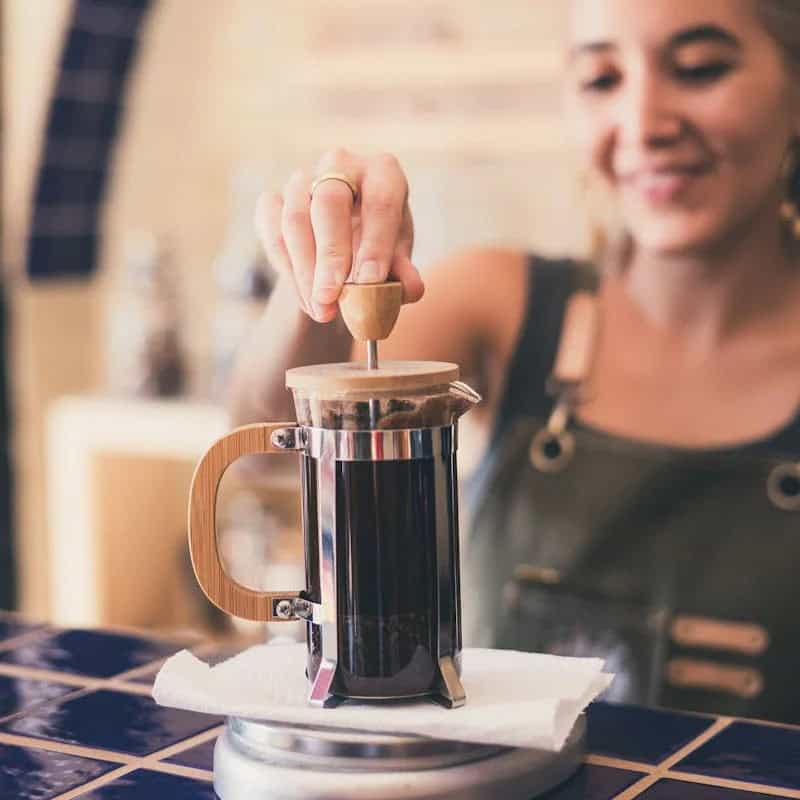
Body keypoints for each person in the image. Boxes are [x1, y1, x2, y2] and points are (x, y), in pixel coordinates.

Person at [229, 0, 800, 724]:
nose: (645, 121)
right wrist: (314, 273)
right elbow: (267, 447)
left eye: (700, 68)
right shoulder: (503, 301)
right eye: (601, 79)